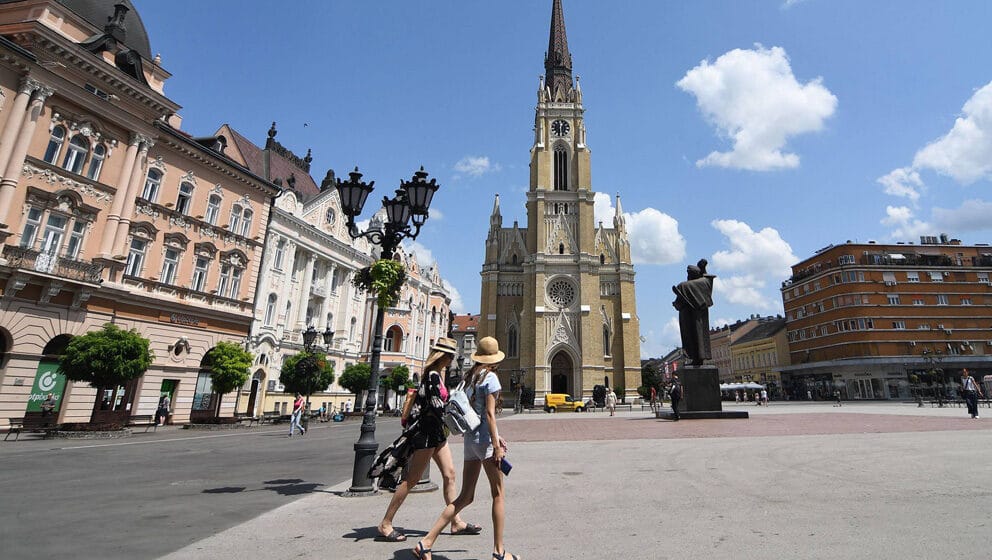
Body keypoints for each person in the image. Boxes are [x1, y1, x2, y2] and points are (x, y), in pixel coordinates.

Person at [413, 336, 519, 560]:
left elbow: (475, 414)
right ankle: (499, 552)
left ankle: (426, 541)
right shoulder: (490, 378)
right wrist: (496, 445)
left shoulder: (469, 379)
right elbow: (489, 415)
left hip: (470, 443)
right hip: (485, 444)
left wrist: (496, 438)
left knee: (465, 497)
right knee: (498, 495)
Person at [371, 338, 479, 542]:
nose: (451, 360)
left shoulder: (438, 375)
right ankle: (385, 523)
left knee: (450, 475)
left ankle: (455, 522)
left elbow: (442, 404)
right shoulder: (431, 376)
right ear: (442, 356)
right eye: (449, 356)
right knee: (411, 479)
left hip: (438, 433)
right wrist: (459, 418)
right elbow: (437, 406)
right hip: (427, 434)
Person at [672, 259, 716, 366]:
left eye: (688, 273)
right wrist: (703, 269)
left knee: (690, 336)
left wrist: (676, 304)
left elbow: (678, 303)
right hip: (701, 317)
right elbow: (707, 279)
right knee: (700, 337)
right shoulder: (704, 283)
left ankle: (696, 358)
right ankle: (699, 358)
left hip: (688, 317)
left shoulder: (683, 286)